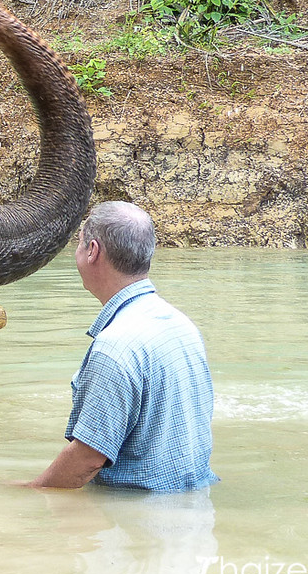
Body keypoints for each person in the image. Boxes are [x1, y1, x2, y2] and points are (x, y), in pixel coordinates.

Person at [28, 200, 218, 492]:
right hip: (192, 511)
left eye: (79, 244)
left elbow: (88, 459)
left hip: (140, 523)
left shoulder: (114, 346)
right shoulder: (181, 325)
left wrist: (25, 492)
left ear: (93, 251)